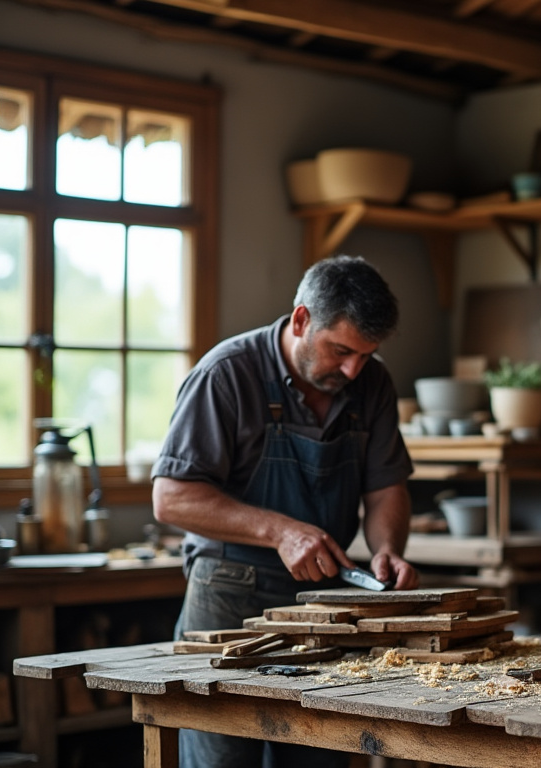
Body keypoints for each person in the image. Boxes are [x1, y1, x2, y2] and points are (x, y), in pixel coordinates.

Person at [152, 255, 417, 768]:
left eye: (366, 355)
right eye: (340, 350)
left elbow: (387, 487)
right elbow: (172, 497)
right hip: (231, 599)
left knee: (318, 753)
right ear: (301, 321)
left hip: (325, 604)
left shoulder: (372, 384)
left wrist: (387, 549)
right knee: (222, 757)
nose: (353, 369)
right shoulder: (226, 374)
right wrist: (279, 531)